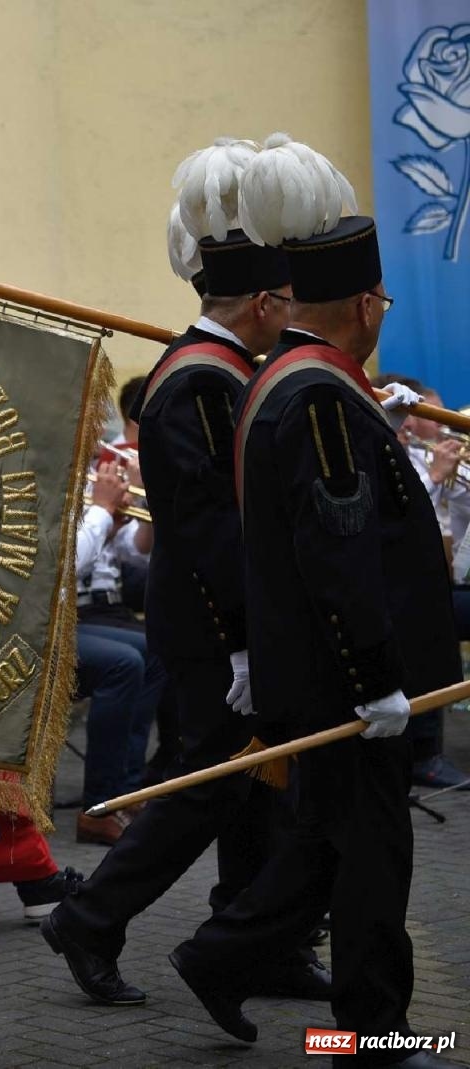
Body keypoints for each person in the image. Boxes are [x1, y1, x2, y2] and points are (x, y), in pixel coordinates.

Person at [167, 137, 460, 1068]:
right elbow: (339, 555)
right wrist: (378, 678)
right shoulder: (321, 396)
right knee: (376, 860)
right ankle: (367, 1036)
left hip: (319, 673)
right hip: (346, 682)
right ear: (365, 303)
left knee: (331, 848)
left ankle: (216, 955)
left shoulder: (290, 381)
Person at [44, 215, 329, 1010]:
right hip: (212, 621)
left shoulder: (218, 366)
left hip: (220, 617)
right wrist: (244, 641)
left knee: (251, 781)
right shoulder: (204, 377)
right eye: (286, 298)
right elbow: (215, 526)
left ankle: (253, 940)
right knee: (206, 784)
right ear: (262, 302)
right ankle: (91, 917)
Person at [376, 373, 470, 790]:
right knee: (431, 625)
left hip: (424, 581)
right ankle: (425, 753)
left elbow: (455, 515)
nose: (410, 426)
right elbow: (398, 521)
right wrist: (434, 478)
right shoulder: (386, 454)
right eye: (406, 416)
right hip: (388, 586)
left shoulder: (415, 456)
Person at [71, 459, 163, 844]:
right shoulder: (41, 481)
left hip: (97, 612)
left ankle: (126, 790)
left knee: (155, 651)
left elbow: (134, 552)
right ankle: (98, 805)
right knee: (123, 664)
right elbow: (68, 562)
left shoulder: (85, 481)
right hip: (56, 620)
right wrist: (102, 511)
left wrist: (138, 504)